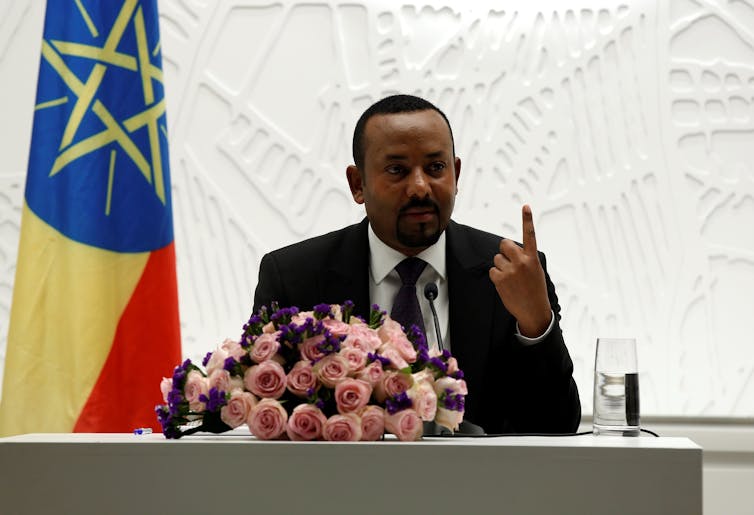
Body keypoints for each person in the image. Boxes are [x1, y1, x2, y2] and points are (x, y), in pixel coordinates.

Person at [253, 94, 581, 434]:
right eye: (397, 170)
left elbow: (558, 425)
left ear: (456, 174)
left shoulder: (511, 272)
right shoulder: (294, 278)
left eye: (436, 168)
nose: (420, 187)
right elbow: (264, 420)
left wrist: (536, 326)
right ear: (357, 184)